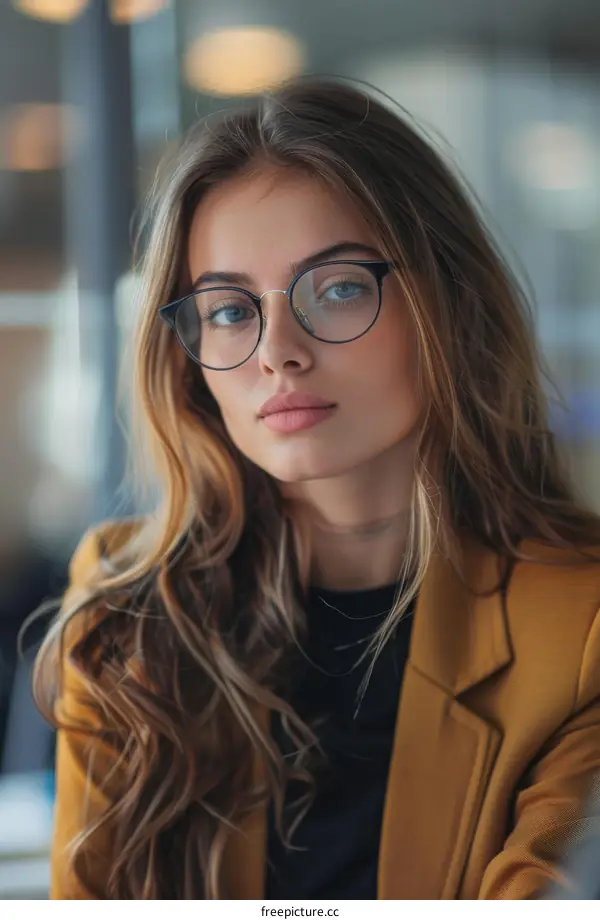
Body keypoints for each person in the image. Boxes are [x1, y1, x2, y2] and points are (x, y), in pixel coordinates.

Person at [30, 76, 600, 900]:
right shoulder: (131, 609)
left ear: (449, 299)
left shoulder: (580, 627)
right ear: (191, 362)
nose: (277, 354)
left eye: (336, 289)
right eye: (229, 310)